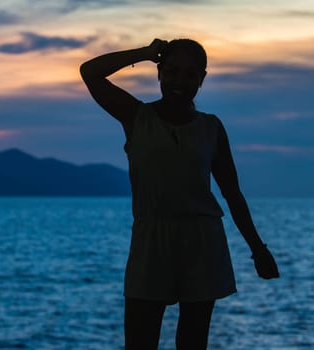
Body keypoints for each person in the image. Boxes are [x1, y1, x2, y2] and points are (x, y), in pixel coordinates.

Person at [80, 38, 280, 349]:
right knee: (139, 342)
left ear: (202, 79)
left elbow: (232, 193)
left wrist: (258, 248)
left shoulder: (211, 128)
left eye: (190, 74)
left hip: (202, 241)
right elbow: (90, 72)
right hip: (151, 239)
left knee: (193, 343)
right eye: (171, 72)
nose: (179, 82)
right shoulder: (136, 117)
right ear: (158, 73)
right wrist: (144, 53)